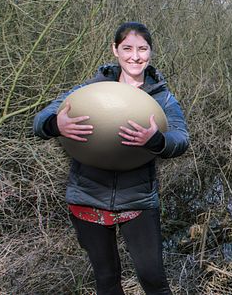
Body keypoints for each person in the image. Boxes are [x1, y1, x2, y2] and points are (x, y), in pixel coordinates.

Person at [33, 22, 189, 295]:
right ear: (115, 50)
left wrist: (157, 141)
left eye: (142, 49)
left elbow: (181, 139)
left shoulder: (162, 98)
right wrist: (55, 126)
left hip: (138, 199)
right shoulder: (91, 90)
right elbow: (40, 121)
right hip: (87, 195)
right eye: (127, 48)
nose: (135, 56)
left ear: (150, 52)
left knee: (153, 280)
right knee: (106, 279)